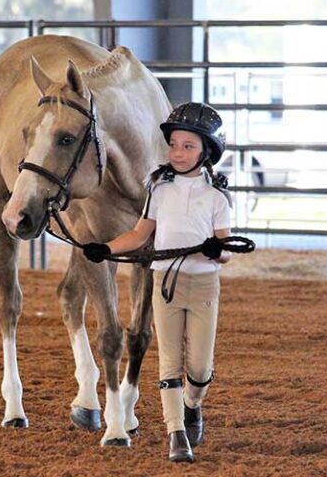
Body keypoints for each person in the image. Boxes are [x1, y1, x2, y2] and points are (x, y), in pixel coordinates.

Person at [83, 102, 232, 463]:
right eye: (175, 144)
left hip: (203, 288)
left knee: (199, 369)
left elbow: (227, 251)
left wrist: (216, 250)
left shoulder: (216, 199)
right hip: (165, 282)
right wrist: (105, 248)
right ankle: (176, 433)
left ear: (206, 152)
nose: (178, 153)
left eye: (188, 146)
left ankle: (193, 404)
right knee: (168, 362)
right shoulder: (159, 190)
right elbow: (138, 235)